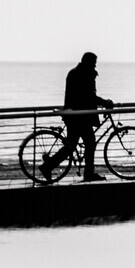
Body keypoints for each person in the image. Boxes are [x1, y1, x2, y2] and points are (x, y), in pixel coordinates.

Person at [46, 52, 112, 182]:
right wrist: (105, 102)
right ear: (88, 62)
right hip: (80, 116)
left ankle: (48, 166)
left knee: (72, 145)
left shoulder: (76, 72)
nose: (95, 65)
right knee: (89, 143)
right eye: (94, 62)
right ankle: (88, 174)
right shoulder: (83, 74)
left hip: (75, 115)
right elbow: (88, 96)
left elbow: (87, 95)